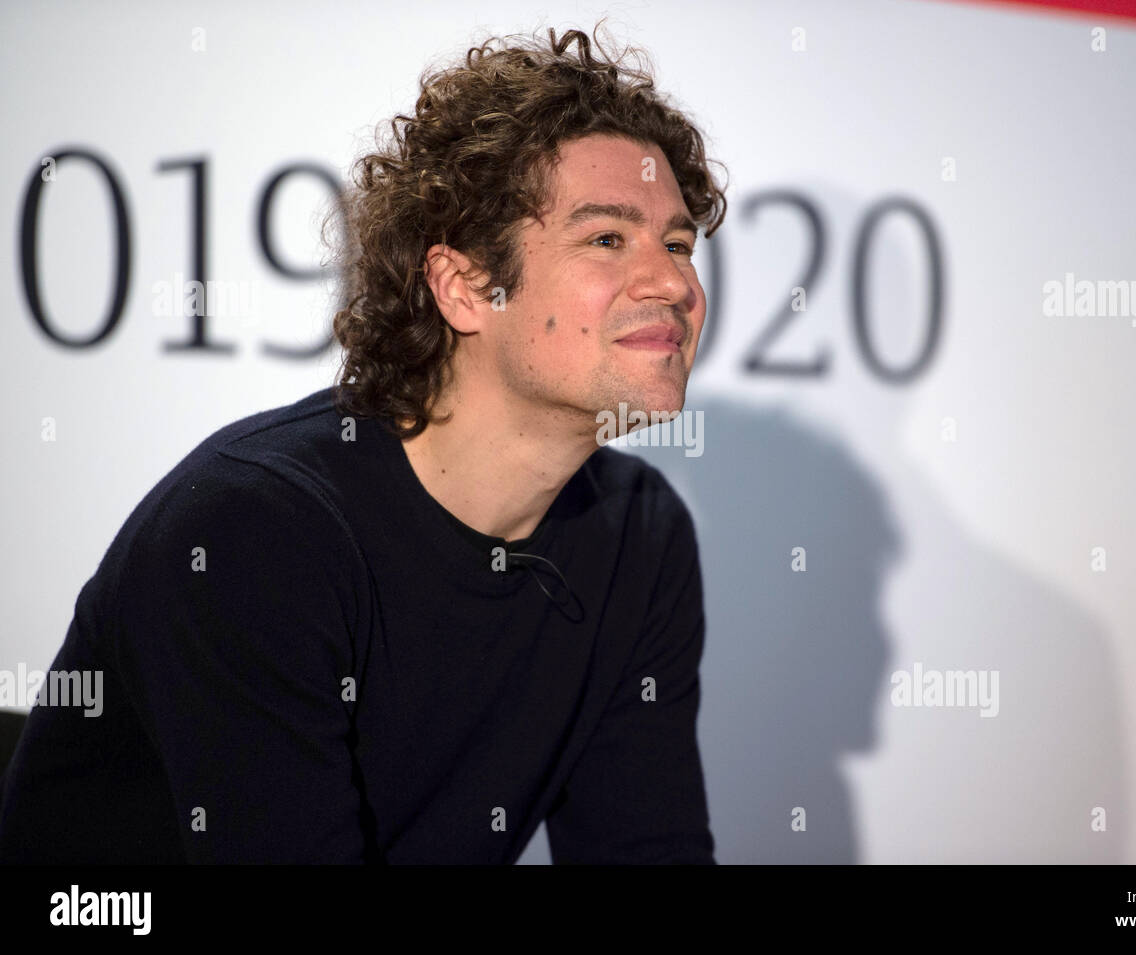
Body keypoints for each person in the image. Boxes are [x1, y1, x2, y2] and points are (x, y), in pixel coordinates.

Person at [0, 22, 727, 864]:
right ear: (462, 288)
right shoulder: (253, 530)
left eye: (678, 243)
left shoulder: (640, 533)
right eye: (608, 238)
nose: (675, 282)